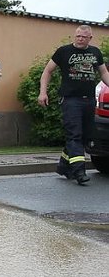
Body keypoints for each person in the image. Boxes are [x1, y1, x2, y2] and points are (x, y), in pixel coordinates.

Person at [38, 24, 109, 185]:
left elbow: (103, 72)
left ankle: (64, 166)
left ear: (90, 38)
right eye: (77, 36)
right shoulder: (64, 51)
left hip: (89, 100)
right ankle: (79, 171)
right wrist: (43, 92)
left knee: (85, 135)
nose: (79, 39)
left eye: (83, 37)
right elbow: (47, 71)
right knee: (74, 134)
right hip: (71, 100)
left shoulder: (95, 52)